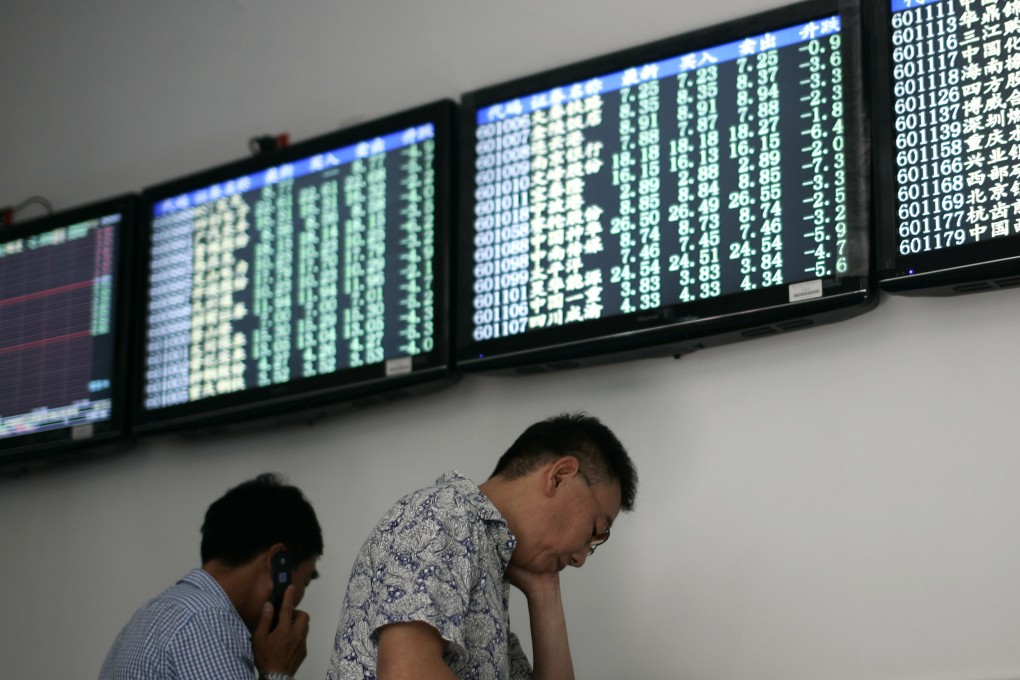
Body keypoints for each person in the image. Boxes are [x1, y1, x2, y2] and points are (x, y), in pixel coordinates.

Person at [326, 412, 638, 680]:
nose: (581, 558)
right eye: (595, 531)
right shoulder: (444, 513)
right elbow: (406, 672)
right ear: (559, 476)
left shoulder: (485, 558)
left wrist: (546, 593)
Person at [100, 473, 324, 680]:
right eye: (304, 581)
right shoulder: (206, 621)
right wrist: (277, 671)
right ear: (278, 565)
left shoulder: (146, 619)